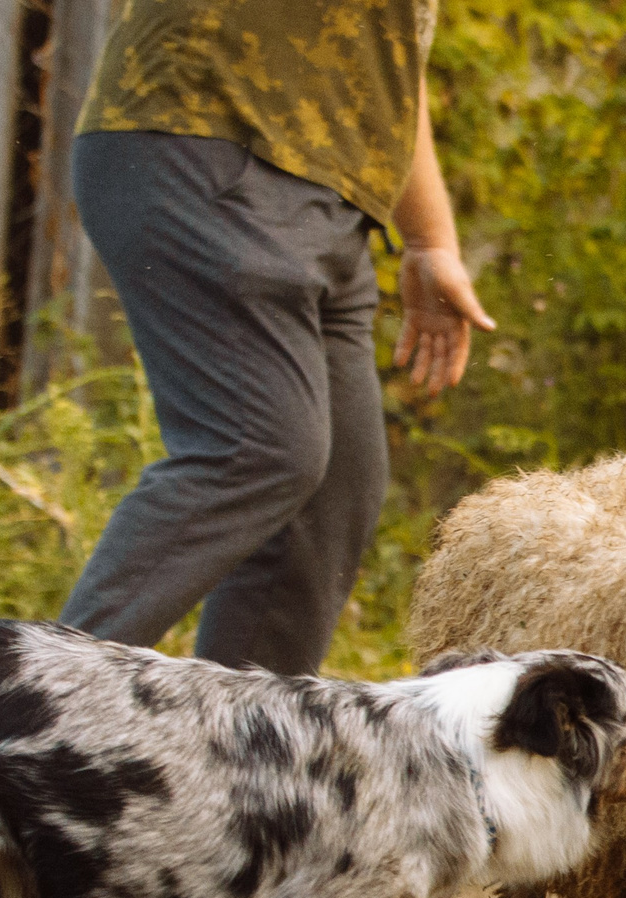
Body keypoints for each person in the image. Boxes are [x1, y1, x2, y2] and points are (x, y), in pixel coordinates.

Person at [59, 1, 493, 672]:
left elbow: (392, 67)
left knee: (334, 492)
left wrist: (431, 239)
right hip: (209, 137)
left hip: (326, 189)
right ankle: (9, 718)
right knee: (259, 446)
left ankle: (245, 759)